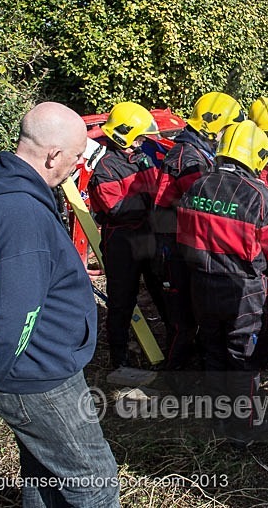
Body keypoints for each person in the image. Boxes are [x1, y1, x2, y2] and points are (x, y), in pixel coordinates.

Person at [0, 102, 119, 505]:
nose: (77, 166)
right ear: (53, 154)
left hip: (32, 370)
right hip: (40, 378)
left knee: (45, 472)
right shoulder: (20, 215)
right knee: (94, 476)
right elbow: (13, 318)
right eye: (75, 157)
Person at [177, 120, 268, 444]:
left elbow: (184, 240)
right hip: (243, 293)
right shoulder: (260, 197)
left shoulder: (196, 187)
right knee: (244, 359)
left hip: (201, 284)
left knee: (211, 349)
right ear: (257, 156)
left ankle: (218, 420)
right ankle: (245, 428)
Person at [153, 91, 245, 369]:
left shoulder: (195, 153)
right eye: (228, 128)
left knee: (193, 314)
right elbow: (207, 206)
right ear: (213, 128)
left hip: (184, 244)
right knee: (182, 321)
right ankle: (175, 375)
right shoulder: (190, 161)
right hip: (175, 249)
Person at [88, 101, 170, 368]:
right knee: (122, 300)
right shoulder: (106, 169)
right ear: (124, 134)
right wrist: (153, 202)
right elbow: (118, 209)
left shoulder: (142, 156)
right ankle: (119, 358)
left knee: (161, 290)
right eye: (138, 137)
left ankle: (174, 342)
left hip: (147, 235)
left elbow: (158, 184)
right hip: (122, 242)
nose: (142, 141)